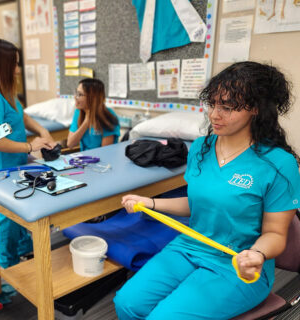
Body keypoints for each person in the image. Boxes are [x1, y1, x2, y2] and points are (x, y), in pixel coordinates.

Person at [114, 61, 300, 320]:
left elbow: (276, 233)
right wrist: (151, 203)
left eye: (228, 107)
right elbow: (198, 203)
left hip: (238, 262)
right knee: (127, 303)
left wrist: (257, 254)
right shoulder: (202, 147)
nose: (214, 114)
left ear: (256, 109)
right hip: (190, 246)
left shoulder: (279, 164)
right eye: (212, 104)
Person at [0, 38, 56, 268]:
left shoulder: (7, 89)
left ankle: (22, 251)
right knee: (7, 219)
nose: (18, 69)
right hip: (0, 167)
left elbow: (21, 116)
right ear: (2, 64)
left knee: (20, 211)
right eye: (15, 63)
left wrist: (42, 131)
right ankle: (7, 265)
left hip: (15, 163)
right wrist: (31, 147)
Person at [66, 78, 120, 151]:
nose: (75, 97)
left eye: (80, 94)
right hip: (84, 158)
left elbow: (106, 151)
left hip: (102, 159)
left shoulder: (108, 116)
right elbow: (70, 144)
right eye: (76, 93)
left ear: (93, 97)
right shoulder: (78, 112)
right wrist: (86, 122)